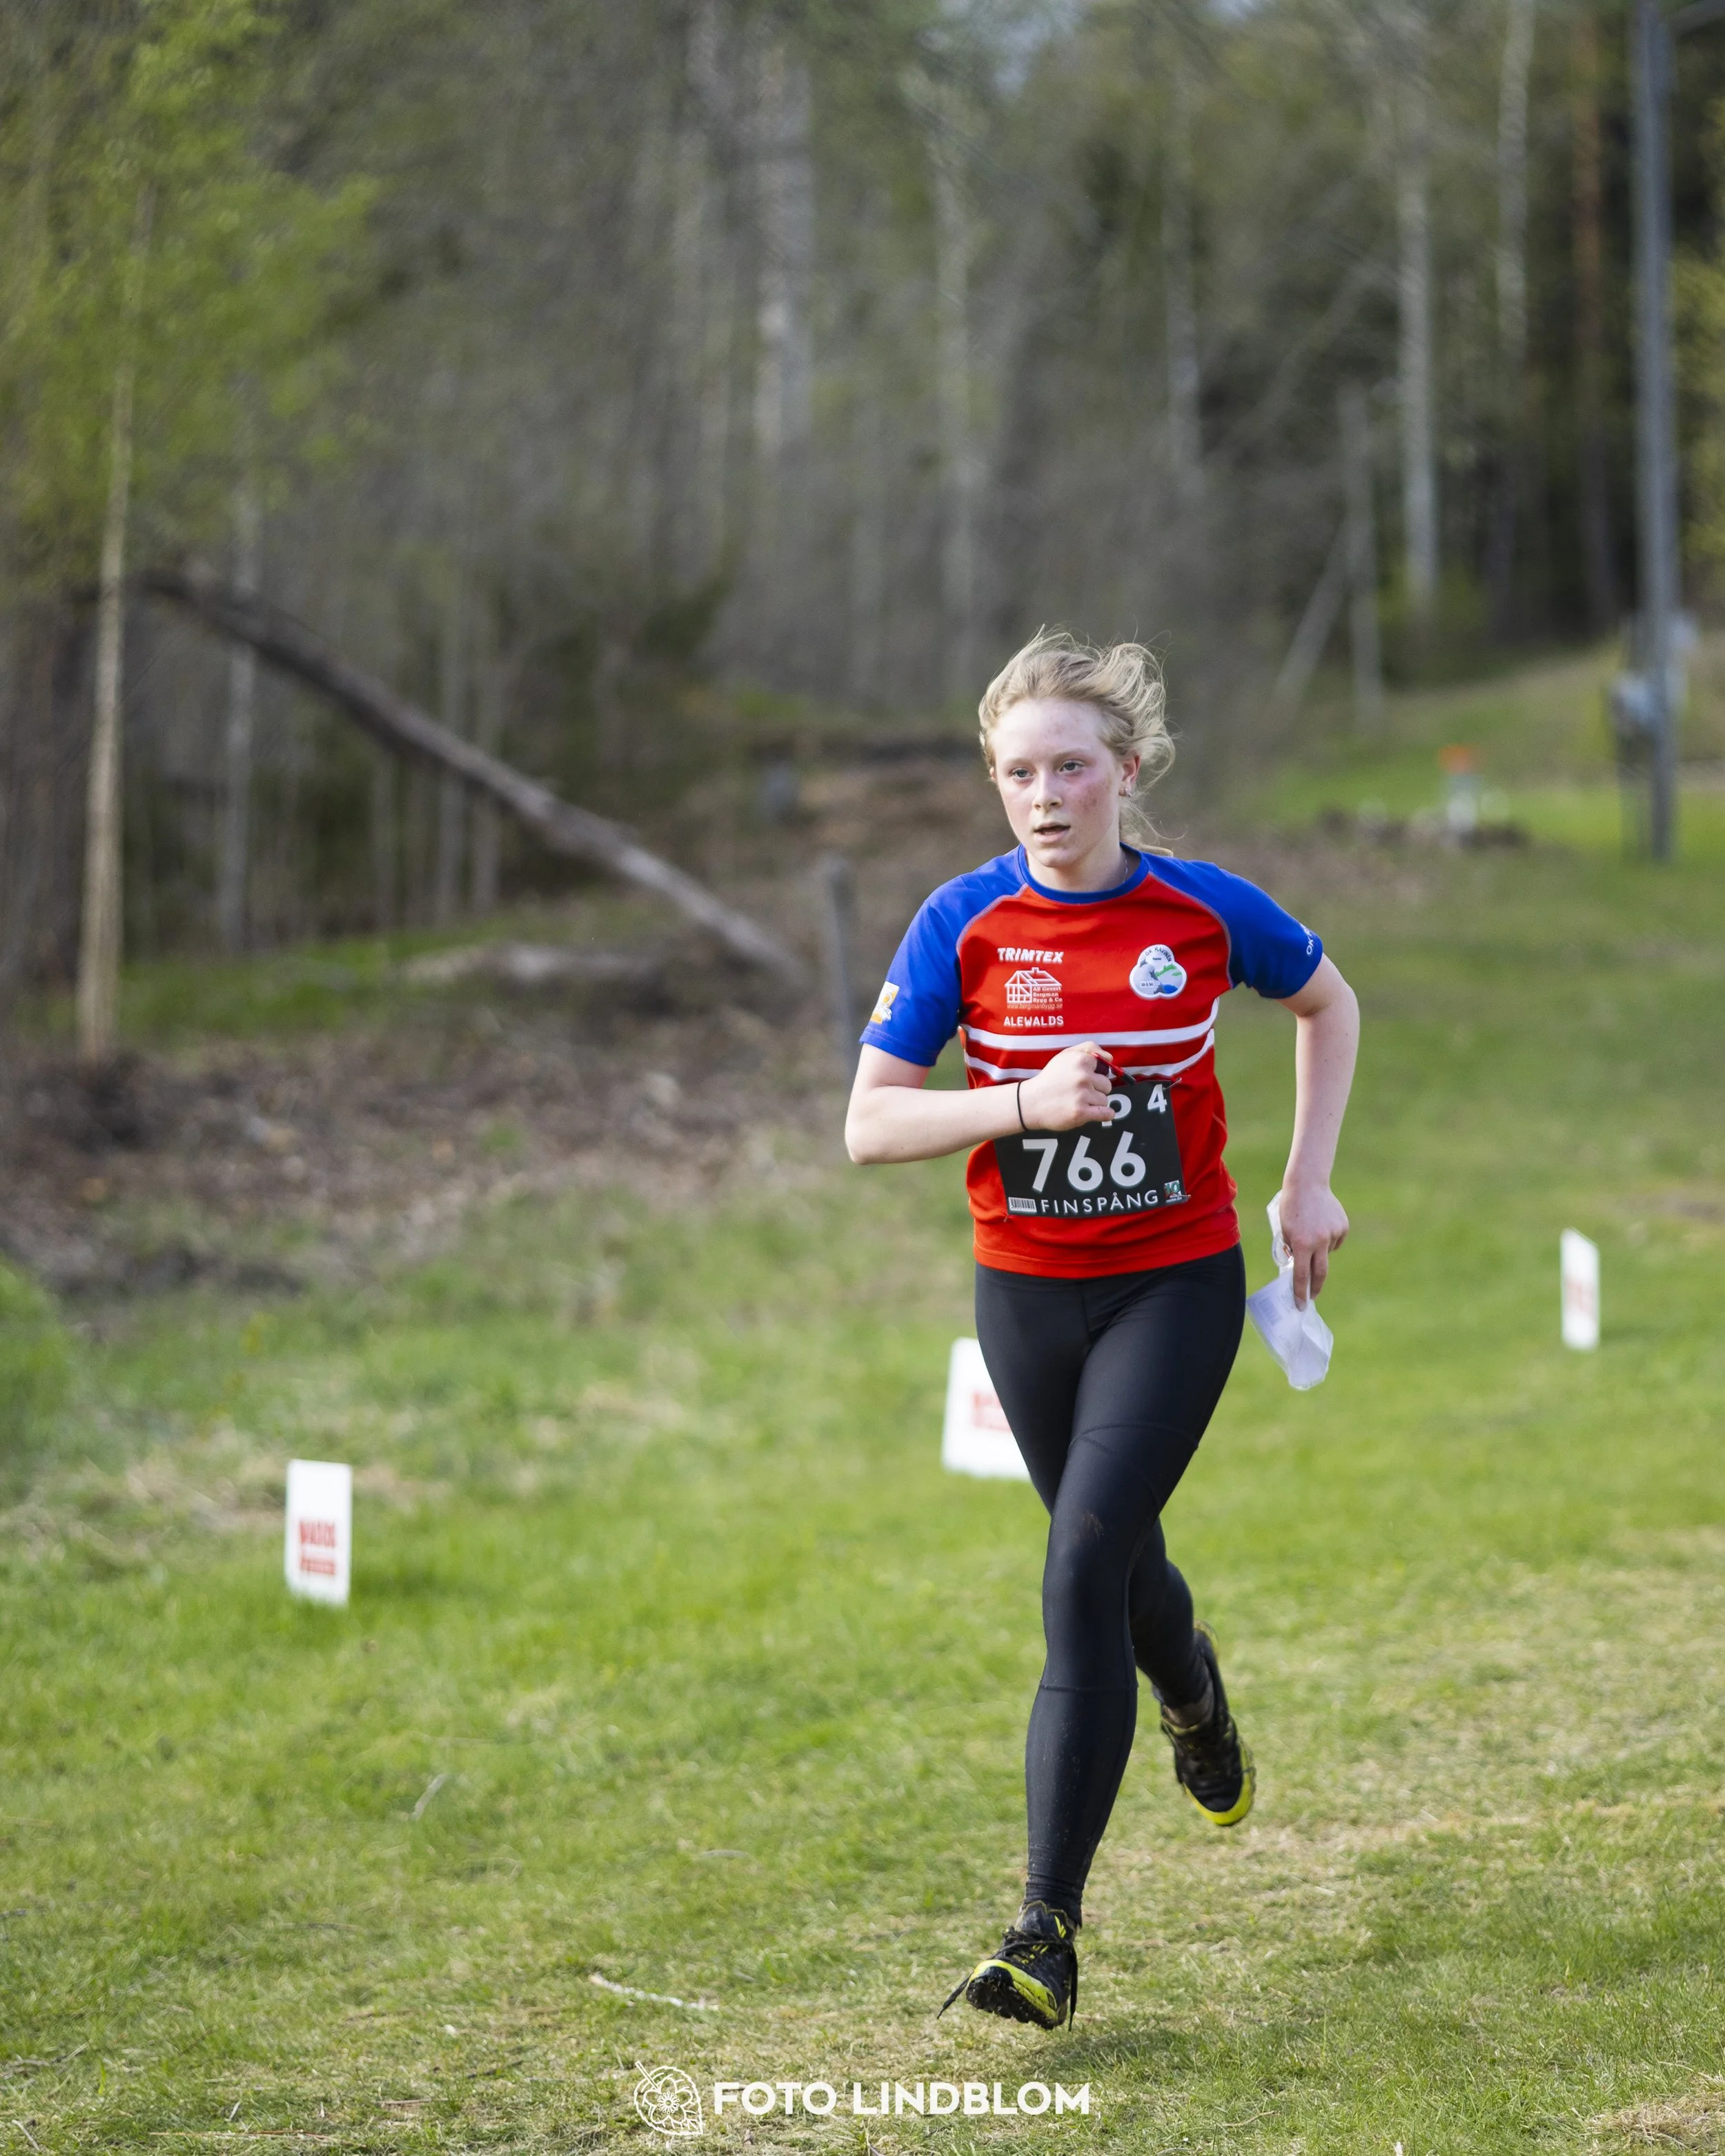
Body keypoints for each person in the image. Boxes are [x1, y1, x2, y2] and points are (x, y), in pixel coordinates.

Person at [844, 631, 1359, 2030]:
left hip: (1168, 1283)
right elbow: (869, 1121)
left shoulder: (1199, 913)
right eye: (1016, 772)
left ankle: (1040, 1936)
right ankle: (1191, 1691)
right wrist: (1015, 1104)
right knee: (1116, 1557)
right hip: (1022, 1289)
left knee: (1079, 1556)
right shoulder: (961, 923)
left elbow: (1327, 999)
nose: (1043, 794)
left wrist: (1303, 1178)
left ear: (1122, 772)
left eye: (1069, 766)